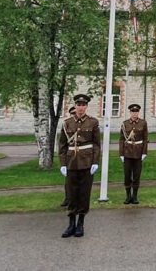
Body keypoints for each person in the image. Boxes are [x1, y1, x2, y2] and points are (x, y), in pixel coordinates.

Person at [58, 93, 101, 238]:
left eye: (83, 105)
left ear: (86, 106)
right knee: (71, 193)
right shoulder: (67, 123)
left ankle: (80, 223)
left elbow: (96, 145)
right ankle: (71, 223)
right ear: (75, 106)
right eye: (78, 105)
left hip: (86, 162)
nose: (81, 108)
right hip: (71, 162)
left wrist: (95, 162)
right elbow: (62, 145)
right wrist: (63, 163)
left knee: (84, 193)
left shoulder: (93, 123)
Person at [119, 103, 148, 205]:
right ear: (130, 112)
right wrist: (121, 153)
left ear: (138, 112)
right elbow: (121, 140)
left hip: (138, 152)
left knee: (136, 175)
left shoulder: (143, 123)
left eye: (136, 112)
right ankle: (128, 196)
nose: (134, 114)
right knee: (127, 175)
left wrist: (144, 152)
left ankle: (135, 196)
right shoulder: (125, 124)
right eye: (133, 112)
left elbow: (145, 139)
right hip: (127, 152)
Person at [60, 104, 76, 208]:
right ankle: (68, 198)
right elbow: (62, 145)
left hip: (82, 156)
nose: (74, 115)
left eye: (75, 113)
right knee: (69, 181)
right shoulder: (66, 126)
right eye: (72, 114)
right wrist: (63, 163)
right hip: (70, 156)